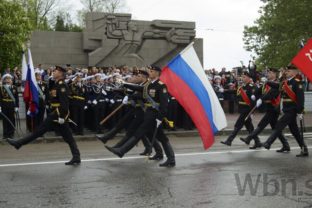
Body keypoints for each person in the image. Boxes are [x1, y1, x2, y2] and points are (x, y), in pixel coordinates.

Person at [7, 66, 81, 165]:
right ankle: (76, 157)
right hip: (56, 115)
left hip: (57, 115)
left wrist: (61, 117)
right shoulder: (56, 84)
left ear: (60, 74)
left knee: (39, 131)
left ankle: (18, 143)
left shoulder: (62, 85)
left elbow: (64, 105)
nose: (53, 72)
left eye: (55, 71)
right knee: (68, 137)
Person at [105, 65, 175, 167]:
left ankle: (122, 150)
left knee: (140, 131)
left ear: (157, 73)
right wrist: (125, 84)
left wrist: (160, 118)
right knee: (159, 136)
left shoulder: (161, 86)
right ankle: (165, 156)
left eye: (151, 71)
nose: (149, 72)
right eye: (150, 71)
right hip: (148, 113)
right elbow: (139, 88)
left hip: (154, 114)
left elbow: (164, 105)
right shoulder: (149, 85)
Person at [262, 65, 308, 157]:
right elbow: (277, 86)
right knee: (294, 131)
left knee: (279, 124)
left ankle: (268, 143)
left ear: (295, 72)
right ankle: (304, 149)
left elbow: (300, 98)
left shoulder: (297, 82)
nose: (286, 72)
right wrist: (267, 82)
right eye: (286, 71)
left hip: (292, 109)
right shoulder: (285, 82)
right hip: (287, 109)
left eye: (289, 71)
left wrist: (300, 111)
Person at [240, 68, 290, 151]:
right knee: (276, 128)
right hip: (269, 107)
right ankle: (286, 145)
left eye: (270, 73)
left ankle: (249, 138)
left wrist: (261, 99)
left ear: (275, 74)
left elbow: (271, 94)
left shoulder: (277, 83)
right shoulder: (267, 83)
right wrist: (254, 95)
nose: (268, 74)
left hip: (274, 108)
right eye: (268, 73)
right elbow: (258, 90)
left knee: (262, 124)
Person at [220, 71, 262, 148]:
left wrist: (251, 111)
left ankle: (229, 140)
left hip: (247, 109)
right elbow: (237, 95)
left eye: (244, 77)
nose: (243, 78)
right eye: (242, 77)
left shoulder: (252, 87)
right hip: (242, 109)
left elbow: (254, 99)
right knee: (249, 127)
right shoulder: (242, 87)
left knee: (238, 125)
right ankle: (257, 142)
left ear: (249, 78)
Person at [0, 74, 19, 139]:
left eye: (9, 79)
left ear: (11, 80)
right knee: (5, 120)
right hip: (4, 104)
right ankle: (5, 134)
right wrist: (0, 106)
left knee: (12, 119)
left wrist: (17, 106)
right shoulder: (2, 88)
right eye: (7, 79)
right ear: (4, 80)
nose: (8, 80)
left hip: (11, 105)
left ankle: (11, 133)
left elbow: (16, 98)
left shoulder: (14, 87)